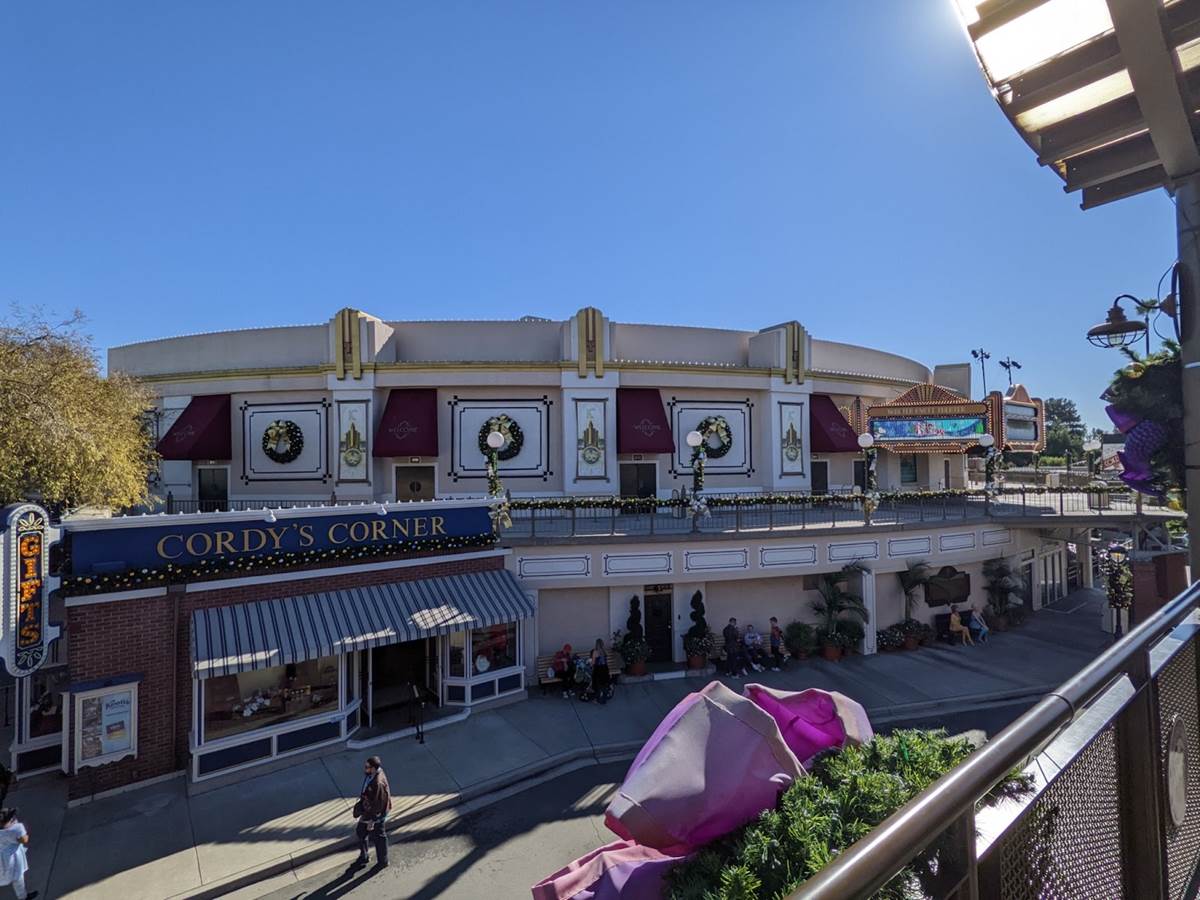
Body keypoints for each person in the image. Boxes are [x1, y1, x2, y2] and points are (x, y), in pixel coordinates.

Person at [353, 756, 392, 868]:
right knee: (361, 831)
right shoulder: (371, 775)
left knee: (379, 836)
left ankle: (383, 861)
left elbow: (379, 804)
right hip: (369, 810)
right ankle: (364, 856)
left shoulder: (378, 783)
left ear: (374, 768)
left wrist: (373, 821)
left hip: (375, 814)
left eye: (367, 767)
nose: (365, 768)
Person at [0, 809, 34, 900]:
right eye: (11, 819)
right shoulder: (14, 830)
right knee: (18, 878)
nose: (14, 819)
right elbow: (24, 839)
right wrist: (21, 829)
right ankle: (23, 897)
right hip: (11, 859)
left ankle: (23, 897)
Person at [590, 639, 611, 704]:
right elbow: (605, 660)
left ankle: (597, 699)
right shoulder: (604, 651)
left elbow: (593, 662)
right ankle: (604, 699)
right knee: (604, 684)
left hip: (598, 669)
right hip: (605, 669)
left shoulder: (595, 652)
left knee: (597, 685)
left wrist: (590, 665)